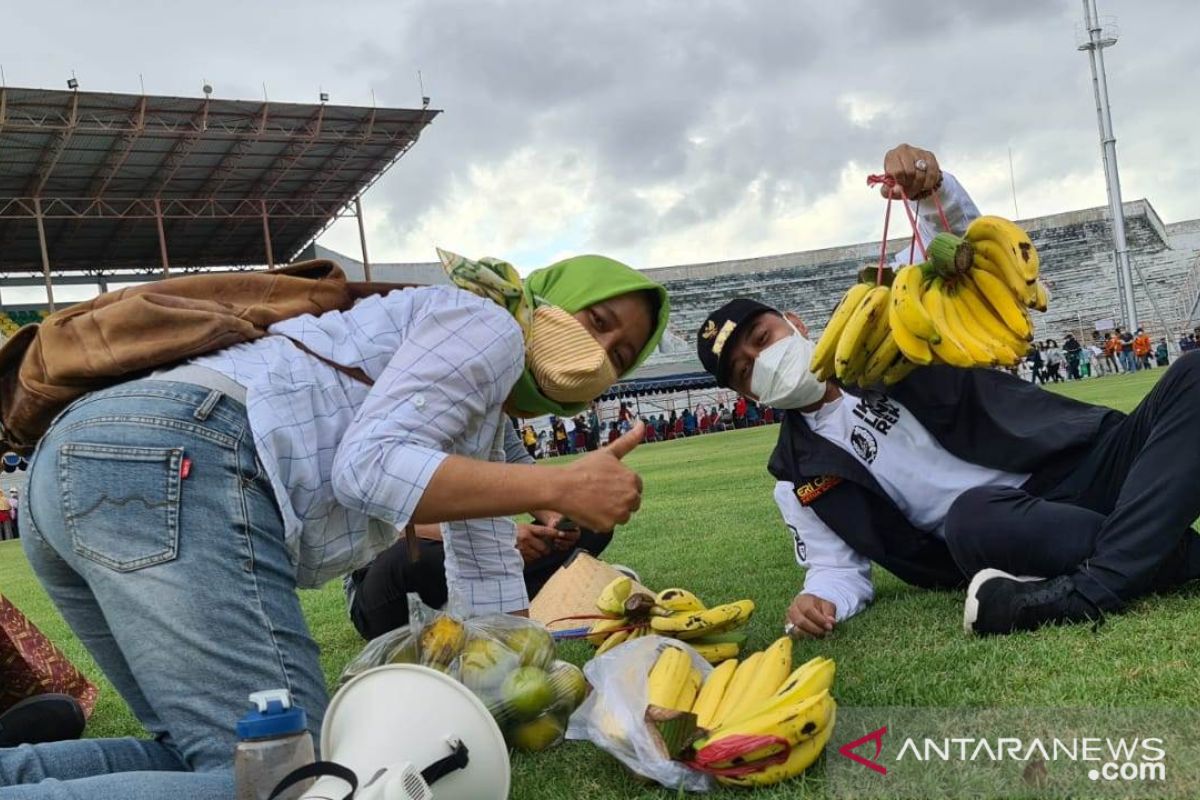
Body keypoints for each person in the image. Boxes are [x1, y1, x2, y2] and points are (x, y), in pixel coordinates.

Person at [4, 250, 668, 797]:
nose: (600, 346)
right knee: (298, 779)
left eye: (621, 350)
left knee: (209, 757)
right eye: (599, 319)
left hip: (83, 467)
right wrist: (561, 483)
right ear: (550, 295)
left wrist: (527, 693)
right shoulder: (488, 327)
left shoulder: (483, 406)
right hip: (176, 458)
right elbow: (369, 469)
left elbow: (488, 558)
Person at [695, 142, 1200, 639]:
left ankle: (1091, 586)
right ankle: (1148, 546)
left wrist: (928, 187)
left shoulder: (884, 330)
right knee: (972, 518)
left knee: (1193, 373)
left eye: (763, 340)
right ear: (749, 396)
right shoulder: (795, 478)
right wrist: (820, 598)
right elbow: (837, 570)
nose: (762, 362)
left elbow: (952, 253)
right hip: (1003, 526)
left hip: (1082, 460)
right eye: (745, 371)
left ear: (795, 323)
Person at [344, 425, 616, 640]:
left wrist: (556, 518)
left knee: (593, 523)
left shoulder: (493, 394)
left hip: (482, 553)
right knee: (407, 560)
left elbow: (524, 474)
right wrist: (502, 536)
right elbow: (384, 524)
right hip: (393, 573)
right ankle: (535, 589)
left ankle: (503, 596)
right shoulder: (398, 410)